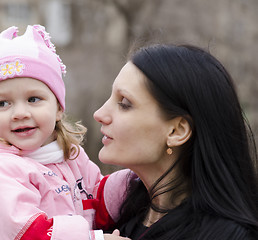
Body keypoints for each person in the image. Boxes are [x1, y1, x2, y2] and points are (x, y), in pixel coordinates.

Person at [0, 25, 128, 240]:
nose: (19, 113)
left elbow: (96, 200)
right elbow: (25, 233)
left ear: (58, 108)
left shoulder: (70, 157)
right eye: (3, 103)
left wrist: (135, 181)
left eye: (33, 99)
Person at [93, 44, 258, 239]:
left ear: (176, 131)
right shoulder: (113, 212)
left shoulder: (224, 235)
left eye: (125, 104)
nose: (99, 114)